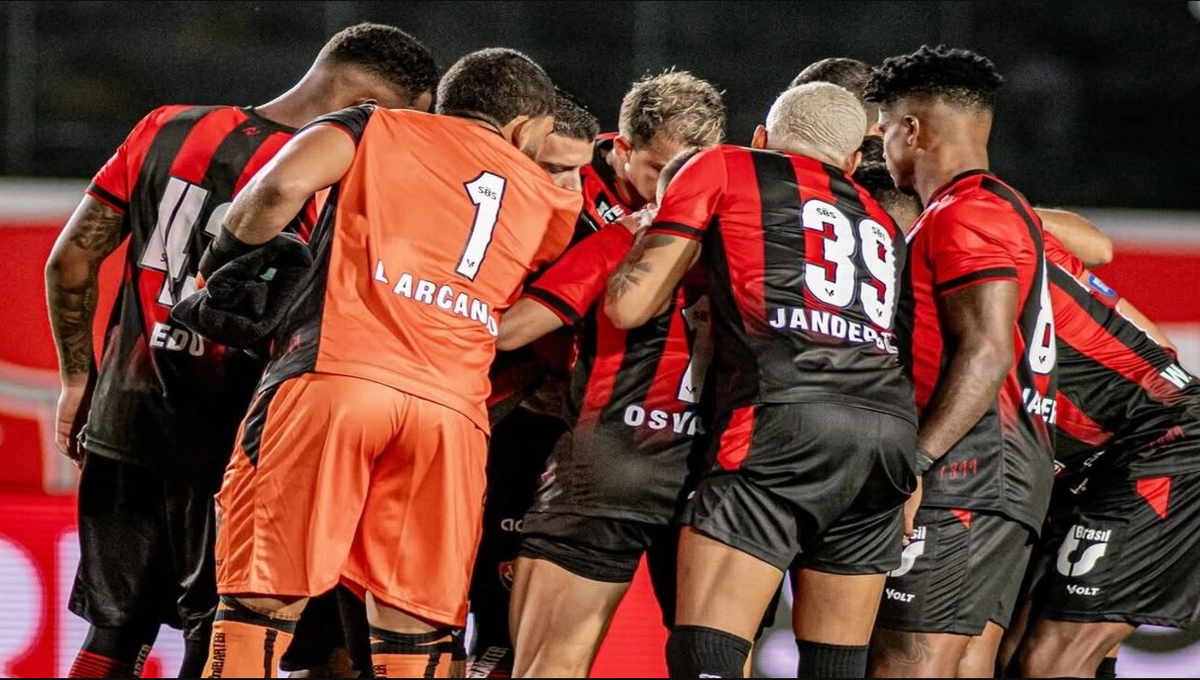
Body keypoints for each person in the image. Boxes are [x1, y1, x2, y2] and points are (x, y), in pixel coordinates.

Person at [43, 23, 437, 679]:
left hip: (124, 416)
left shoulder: (164, 126)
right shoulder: (341, 172)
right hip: (236, 434)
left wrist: (76, 381)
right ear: (373, 102)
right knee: (229, 630)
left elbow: (70, 263)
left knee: (115, 631)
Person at [199, 48, 581, 678]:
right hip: (452, 417)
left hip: (337, 379)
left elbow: (276, 188)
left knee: (260, 603)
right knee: (415, 629)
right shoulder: (549, 200)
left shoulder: (373, 124)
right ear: (523, 129)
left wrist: (219, 267)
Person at [604, 81, 916, 679]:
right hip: (886, 443)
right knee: (835, 667)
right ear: (852, 162)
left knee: (708, 652)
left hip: (782, 419)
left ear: (761, 138)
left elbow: (630, 307)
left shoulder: (725, 165)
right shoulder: (879, 218)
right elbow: (899, 352)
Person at [863, 45, 1058, 678]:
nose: (882, 147)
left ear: (912, 130)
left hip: (968, 469)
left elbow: (988, 350)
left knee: (906, 663)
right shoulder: (996, 207)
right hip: (1000, 469)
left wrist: (914, 465)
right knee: (962, 662)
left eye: (886, 130)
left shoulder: (965, 213)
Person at [499, 145, 713, 678]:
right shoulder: (763, 252)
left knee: (548, 662)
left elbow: (510, 331)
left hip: (609, 463)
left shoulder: (621, 239)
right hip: (716, 473)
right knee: (716, 662)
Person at [1003, 233, 1200, 677]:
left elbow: (1100, 249)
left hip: (1160, 442)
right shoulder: (1013, 232)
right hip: (1102, 458)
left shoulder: (967, 235)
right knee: (1020, 652)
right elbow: (1157, 343)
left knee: (1051, 659)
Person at [466, 89, 600, 679]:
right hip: (440, 413)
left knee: (502, 623)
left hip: (524, 430)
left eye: (579, 171)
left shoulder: (587, 230)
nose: (570, 188)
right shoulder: (462, 206)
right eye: (554, 169)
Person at [577, 69, 726, 238]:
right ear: (623, 150)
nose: (681, 188)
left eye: (696, 173)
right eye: (666, 172)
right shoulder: (564, 179)